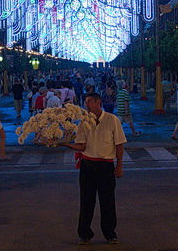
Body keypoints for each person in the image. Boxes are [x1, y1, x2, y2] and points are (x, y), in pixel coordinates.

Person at [63, 92, 126, 245]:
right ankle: (84, 233)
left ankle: (110, 233)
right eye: (86, 102)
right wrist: (64, 143)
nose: (87, 105)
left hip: (105, 166)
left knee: (107, 201)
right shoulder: (84, 122)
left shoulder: (112, 120)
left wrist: (119, 166)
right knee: (86, 201)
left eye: (90, 102)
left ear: (99, 102)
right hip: (87, 165)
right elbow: (81, 145)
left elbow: (119, 145)